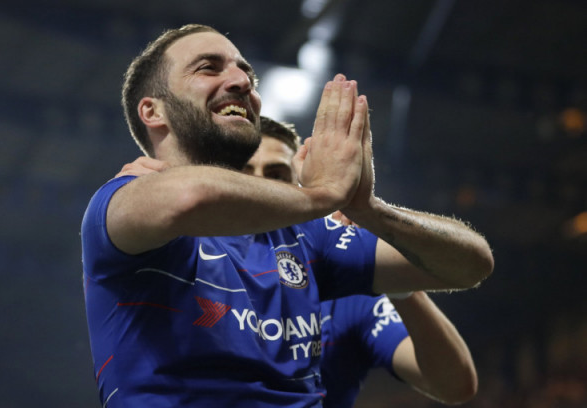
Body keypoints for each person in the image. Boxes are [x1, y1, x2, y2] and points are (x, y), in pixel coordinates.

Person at [81, 24, 494, 407]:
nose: (242, 81)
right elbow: (188, 197)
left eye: (247, 74)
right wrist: (323, 193)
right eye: (208, 68)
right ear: (152, 111)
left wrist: (369, 210)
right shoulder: (119, 202)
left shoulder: (306, 236)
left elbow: (471, 265)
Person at [119, 116, 479, 407]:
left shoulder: (348, 288)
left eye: (276, 175)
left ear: (301, 190)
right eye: (243, 172)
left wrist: (397, 281)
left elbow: (456, 386)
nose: (259, 185)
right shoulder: (183, 258)